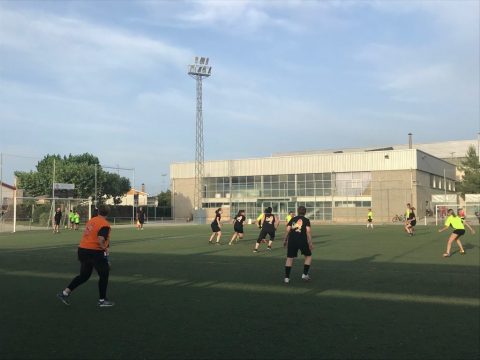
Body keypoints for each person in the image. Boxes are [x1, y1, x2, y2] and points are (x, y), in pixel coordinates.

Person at [56, 205, 114, 307]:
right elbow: (101, 239)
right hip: (94, 251)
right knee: (104, 274)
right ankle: (102, 300)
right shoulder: (104, 224)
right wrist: (105, 251)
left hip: (83, 249)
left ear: (99, 211)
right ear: (108, 213)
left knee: (84, 275)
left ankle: (64, 293)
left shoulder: (92, 220)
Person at [283, 206, 313, 284]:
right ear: (305, 212)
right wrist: (310, 242)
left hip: (292, 241)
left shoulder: (293, 219)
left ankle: (286, 278)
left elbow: (287, 230)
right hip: (302, 241)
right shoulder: (306, 220)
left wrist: (285, 240)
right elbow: (308, 232)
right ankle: (305, 274)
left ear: (297, 211)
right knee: (308, 256)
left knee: (289, 258)